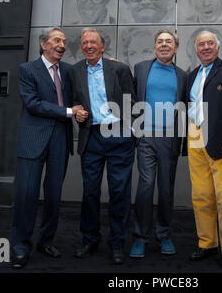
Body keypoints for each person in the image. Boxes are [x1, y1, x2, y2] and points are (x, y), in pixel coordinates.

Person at [70, 28, 136, 265]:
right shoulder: (74, 71)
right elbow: (74, 99)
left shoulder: (119, 69)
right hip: (92, 137)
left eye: (93, 42)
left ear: (102, 46)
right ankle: (89, 240)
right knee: (90, 192)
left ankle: (117, 243)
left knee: (119, 192)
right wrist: (77, 110)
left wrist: (130, 133)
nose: (88, 46)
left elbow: (132, 102)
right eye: (85, 42)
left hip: (119, 135)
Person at [11, 27, 74, 269]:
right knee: (26, 195)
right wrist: (67, 112)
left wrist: (109, 63)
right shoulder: (27, 69)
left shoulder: (68, 71)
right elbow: (32, 103)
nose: (62, 45)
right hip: (33, 139)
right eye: (57, 40)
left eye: (65, 41)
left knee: (54, 196)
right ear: (43, 43)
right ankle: (19, 247)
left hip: (60, 137)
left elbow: (87, 78)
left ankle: (46, 241)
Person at [186, 30, 222, 270]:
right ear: (196, 49)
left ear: (218, 47)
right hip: (195, 136)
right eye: (201, 44)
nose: (206, 47)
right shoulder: (192, 75)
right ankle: (207, 242)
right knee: (201, 195)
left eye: (210, 43)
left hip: (221, 140)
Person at [128, 30, 187, 258]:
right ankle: (140, 237)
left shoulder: (183, 75)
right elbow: (130, 95)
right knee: (145, 186)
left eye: (169, 42)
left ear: (175, 48)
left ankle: (164, 235)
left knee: (165, 190)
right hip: (145, 137)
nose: (164, 45)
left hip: (170, 138)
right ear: (154, 47)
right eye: (160, 42)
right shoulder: (141, 68)